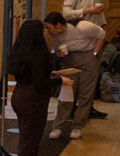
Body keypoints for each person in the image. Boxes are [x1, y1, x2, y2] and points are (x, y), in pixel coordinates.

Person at [8, 20, 62, 156]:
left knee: (27, 140)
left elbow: (31, 75)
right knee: (30, 142)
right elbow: (40, 82)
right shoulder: (39, 54)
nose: (46, 32)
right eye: (44, 29)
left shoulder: (19, 50)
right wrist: (61, 80)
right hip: (34, 99)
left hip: (20, 95)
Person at [44, 11, 106, 140]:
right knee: (66, 94)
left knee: (85, 94)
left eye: (49, 27)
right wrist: (59, 54)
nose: (47, 31)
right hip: (69, 59)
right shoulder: (55, 36)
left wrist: (94, 54)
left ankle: (77, 126)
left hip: (87, 57)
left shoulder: (82, 27)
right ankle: (58, 126)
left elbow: (102, 34)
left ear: (59, 25)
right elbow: (56, 50)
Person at [62, 0, 109, 121]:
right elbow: (66, 14)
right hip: (78, 38)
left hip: (95, 38)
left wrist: (103, 24)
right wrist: (87, 10)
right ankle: (68, 114)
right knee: (72, 81)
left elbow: (99, 11)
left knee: (91, 80)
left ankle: (87, 110)